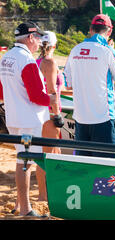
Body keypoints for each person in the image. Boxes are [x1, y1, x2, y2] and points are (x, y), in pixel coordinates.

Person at [0, 22, 57, 217]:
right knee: (25, 162)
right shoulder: (27, 60)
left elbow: (1, 91)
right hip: (28, 119)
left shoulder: (6, 57)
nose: (40, 42)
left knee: (25, 160)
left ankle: (19, 204)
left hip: (14, 117)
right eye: (38, 38)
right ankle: (25, 208)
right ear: (30, 37)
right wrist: (51, 98)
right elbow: (36, 96)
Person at [63, 14, 115, 158]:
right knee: (107, 170)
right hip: (104, 117)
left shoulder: (75, 50)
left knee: (85, 169)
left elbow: (67, 83)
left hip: (81, 118)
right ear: (109, 32)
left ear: (91, 29)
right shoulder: (107, 50)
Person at [36, 31, 65, 201]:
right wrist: (57, 114)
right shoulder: (50, 62)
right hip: (49, 113)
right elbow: (52, 90)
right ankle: (43, 196)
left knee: (54, 153)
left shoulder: (36, 61)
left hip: (39, 111)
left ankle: (48, 193)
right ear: (54, 46)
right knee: (48, 155)